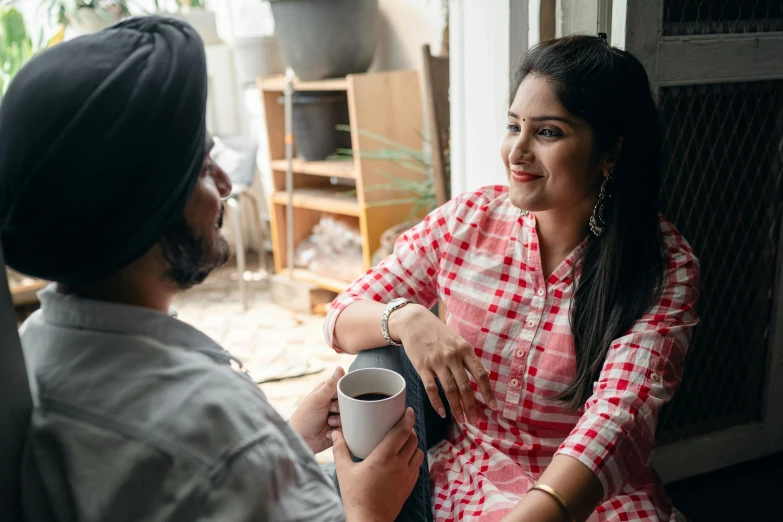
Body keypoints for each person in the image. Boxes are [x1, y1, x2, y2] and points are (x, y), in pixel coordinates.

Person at [0, 16, 424, 522]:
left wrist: (285, 439)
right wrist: (369, 509)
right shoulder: (214, 428)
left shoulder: (33, 346)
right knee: (389, 365)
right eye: (202, 168)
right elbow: (205, 462)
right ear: (143, 210)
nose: (224, 183)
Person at [325, 34, 700, 522]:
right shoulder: (466, 220)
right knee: (375, 357)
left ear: (610, 152)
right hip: (469, 480)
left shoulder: (662, 264)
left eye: (547, 132)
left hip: (588, 494)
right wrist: (407, 318)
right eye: (513, 125)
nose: (516, 152)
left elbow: (620, 419)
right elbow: (341, 317)